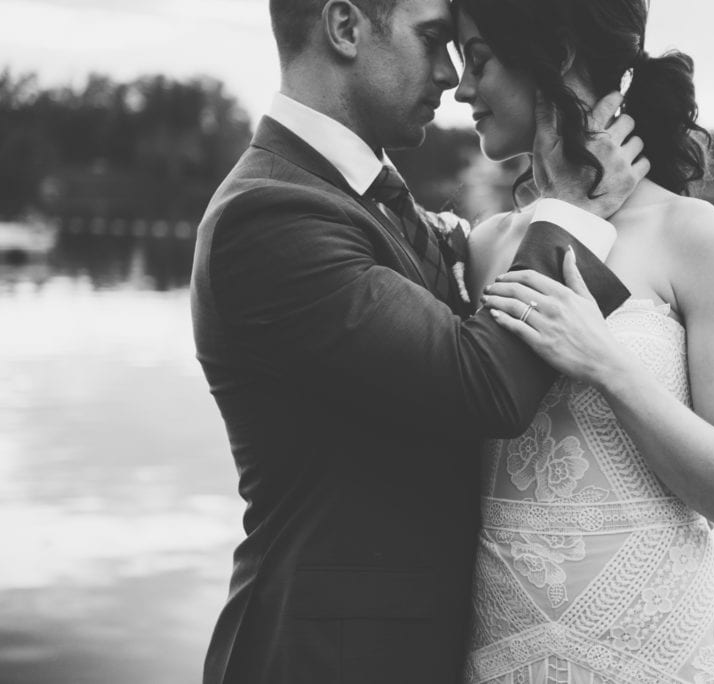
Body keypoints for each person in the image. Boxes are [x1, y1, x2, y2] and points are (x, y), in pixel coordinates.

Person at [189, 0, 650, 682]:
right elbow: (481, 383)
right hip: (327, 660)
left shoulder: (354, 197)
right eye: (433, 39)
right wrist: (574, 211)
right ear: (345, 27)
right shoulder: (270, 216)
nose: (450, 73)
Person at [451, 0, 714, 681]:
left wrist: (608, 365)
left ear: (558, 55)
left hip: (661, 656)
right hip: (505, 656)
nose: (461, 89)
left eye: (478, 62)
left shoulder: (700, 240)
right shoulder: (483, 248)